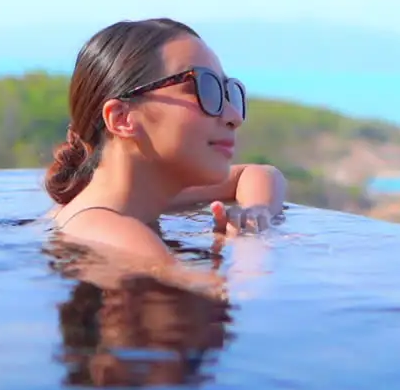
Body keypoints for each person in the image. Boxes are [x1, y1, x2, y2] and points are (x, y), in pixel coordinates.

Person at [42, 17, 286, 291]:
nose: (232, 116)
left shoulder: (129, 200)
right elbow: (239, 296)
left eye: (229, 92)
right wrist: (249, 254)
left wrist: (255, 214)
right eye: (205, 89)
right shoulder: (114, 232)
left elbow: (257, 174)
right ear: (122, 118)